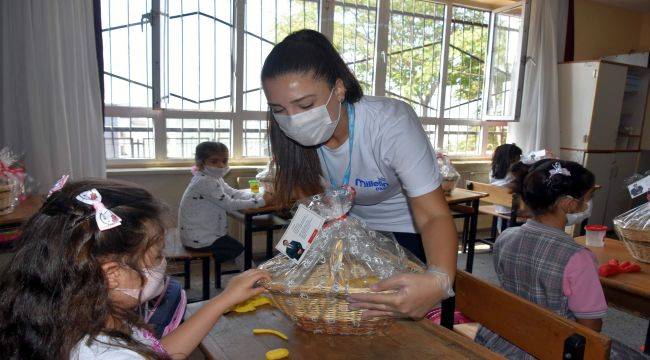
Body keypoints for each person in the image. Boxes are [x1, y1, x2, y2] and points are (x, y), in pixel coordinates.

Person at [261, 29, 457, 319]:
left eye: (305, 105)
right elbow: (311, 210)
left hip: (411, 230)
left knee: (419, 323)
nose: (293, 119)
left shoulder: (390, 123)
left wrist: (439, 280)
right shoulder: (288, 138)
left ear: (338, 89)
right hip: (348, 233)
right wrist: (288, 263)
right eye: (279, 109)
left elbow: (433, 215)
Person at [0, 179, 270, 359]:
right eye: (156, 256)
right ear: (112, 274)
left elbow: (160, 352)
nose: (164, 264)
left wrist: (224, 299)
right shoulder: (108, 354)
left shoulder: (92, 317)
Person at [469, 160, 606, 358]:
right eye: (587, 198)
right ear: (568, 203)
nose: (587, 204)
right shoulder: (578, 258)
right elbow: (591, 326)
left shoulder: (505, 238)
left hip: (500, 339)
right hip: (549, 349)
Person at [179, 141, 268, 268]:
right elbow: (229, 204)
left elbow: (232, 192)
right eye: (214, 161)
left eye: (224, 161)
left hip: (200, 234)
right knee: (241, 251)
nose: (221, 165)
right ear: (201, 162)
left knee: (237, 248)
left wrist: (255, 196)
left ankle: (251, 275)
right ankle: (254, 280)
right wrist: (261, 202)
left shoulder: (213, 178)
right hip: (199, 238)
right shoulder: (205, 181)